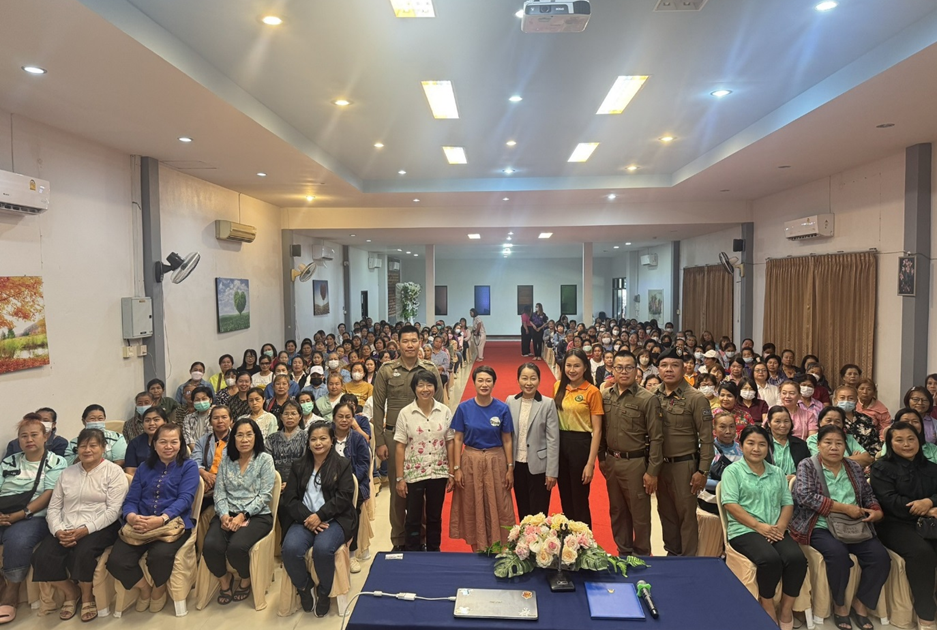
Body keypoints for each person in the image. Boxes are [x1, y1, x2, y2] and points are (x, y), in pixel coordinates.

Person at [790, 424, 888, 630]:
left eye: (839, 443)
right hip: (820, 524)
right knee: (838, 555)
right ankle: (840, 605)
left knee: (880, 558)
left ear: (845, 446)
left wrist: (876, 510)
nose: (833, 447)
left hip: (855, 524)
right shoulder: (807, 465)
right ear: (818, 445)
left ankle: (860, 603)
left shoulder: (853, 467)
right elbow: (805, 496)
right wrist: (844, 508)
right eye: (828, 442)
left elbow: (868, 495)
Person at [32, 428, 129, 622]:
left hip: (100, 525)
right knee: (41, 556)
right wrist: (58, 530)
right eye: (83, 446)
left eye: (93, 445)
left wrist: (86, 529)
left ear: (103, 447)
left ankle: (86, 596)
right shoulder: (67, 473)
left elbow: (114, 510)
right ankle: (71, 592)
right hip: (66, 526)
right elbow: (54, 508)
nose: (87, 450)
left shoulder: (114, 472)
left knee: (83, 553)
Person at [720, 425, 806, 630]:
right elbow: (730, 504)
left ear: (768, 447)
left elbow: (787, 503)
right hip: (744, 529)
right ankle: (767, 605)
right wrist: (759, 527)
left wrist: (780, 527)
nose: (756, 449)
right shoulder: (733, 471)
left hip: (775, 528)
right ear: (741, 445)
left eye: (762, 444)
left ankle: (786, 608)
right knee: (770, 559)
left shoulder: (777, 472)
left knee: (797, 559)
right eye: (750, 443)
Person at [106, 423, 199, 614]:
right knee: (116, 561)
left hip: (172, 524)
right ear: (154, 444)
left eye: (174, 442)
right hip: (140, 523)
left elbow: (185, 499)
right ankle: (145, 589)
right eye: (163, 442)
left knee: (159, 556)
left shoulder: (188, 466)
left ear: (181, 444)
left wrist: (162, 519)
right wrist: (131, 516)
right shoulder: (143, 467)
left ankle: (158, 589)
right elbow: (132, 499)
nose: (168, 446)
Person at [372, 325, 443, 551]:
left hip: (424, 439)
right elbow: (377, 407)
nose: (410, 345)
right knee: (399, 490)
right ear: (398, 343)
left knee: (423, 491)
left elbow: (441, 406)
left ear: (420, 342)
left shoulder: (429, 369)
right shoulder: (386, 370)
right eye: (405, 341)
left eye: (414, 341)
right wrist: (380, 441)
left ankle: (420, 538)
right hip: (395, 438)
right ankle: (399, 539)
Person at [281, 421, 357, 617]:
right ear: (308, 442)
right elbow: (290, 499)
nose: (318, 443)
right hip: (304, 519)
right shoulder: (299, 465)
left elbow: (344, 497)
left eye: (323, 438)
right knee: (290, 549)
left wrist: (320, 516)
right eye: (313, 439)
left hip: (334, 519)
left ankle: (324, 592)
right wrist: (309, 517)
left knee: (323, 550)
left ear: (332, 440)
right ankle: (304, 587)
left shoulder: (342, 464)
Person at [0, 415, 68, 623]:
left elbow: (49, 494)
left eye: (34, 435)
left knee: (17, 540)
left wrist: (21, 514)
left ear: (45, 436)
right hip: (4, 511)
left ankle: (11, 592)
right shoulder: (9, 461)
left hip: (34, 516)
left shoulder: (56, 461)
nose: (29, 439)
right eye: (23, 436)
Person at [870, 421, 937, 630]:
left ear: (919, 440)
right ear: (890, 443)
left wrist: (930, 501)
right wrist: (926, 508)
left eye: (911, 439)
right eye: (899, 440)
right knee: (922, 553)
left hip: (930, 522)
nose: (906, 444)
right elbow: (889, 501)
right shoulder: (881, 468)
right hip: (895, 523)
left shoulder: (931, 467)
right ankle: (926, 614)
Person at [202, 418, 275, 606]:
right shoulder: (226, 460)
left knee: (237, 547)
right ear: (233, 438)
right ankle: (224, 580)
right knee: (210, 545)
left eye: (249, 434)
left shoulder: (264, 459)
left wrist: (243, 515)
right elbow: (219, 492)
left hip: (256, 515)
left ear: (256, 437)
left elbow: (265, 495)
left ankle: (245, 578)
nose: (244, 439)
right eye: (239, 435)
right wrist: (224, 515)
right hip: (228, 513)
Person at [599, 350, 662, 556]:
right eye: (619, 367)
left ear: (636, 371)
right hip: (612, 460)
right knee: (617, 511)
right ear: (613, 370)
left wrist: (652, 471)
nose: (624, 372)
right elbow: (600, 430)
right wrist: (601, 458)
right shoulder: (605, 396)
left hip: (636, 463)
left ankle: (642, 555)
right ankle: (623, 552)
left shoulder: (647, 399)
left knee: (640, 514)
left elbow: (656, 438)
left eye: (628, 367)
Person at [656, 346, 713, 557]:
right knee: (666, 512)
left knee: (686, 515)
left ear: (684, 369)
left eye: (674, 365)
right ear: (658, 369)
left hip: (685, 466)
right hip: (660, 465)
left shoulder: (696, 398)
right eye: (664, 365)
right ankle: (672, 553)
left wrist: (702, 471)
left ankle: (688, 560)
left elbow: (707, 439)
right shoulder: (653, 395)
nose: (669, 370)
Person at [450, 365, 515, 551]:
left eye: (488, 381)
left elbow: (507, 439)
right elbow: (458, 438)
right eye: (480, 380)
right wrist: (456, 469)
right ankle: (477, 547)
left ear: (494, 383)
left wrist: (510, 468)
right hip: (471, 460)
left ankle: (500, 546)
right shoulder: (464, 408)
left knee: (499, 503)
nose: (484, 384)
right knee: (473, 502)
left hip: (496, 460)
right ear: (474, 383)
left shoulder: (502, 408)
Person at [553, 348, 603, 528]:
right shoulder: (558, 387)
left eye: (576, 366)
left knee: (580, 498)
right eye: (568, 365)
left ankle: (584, 540)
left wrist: (590, 464)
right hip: (560, 443)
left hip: (580, 445)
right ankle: (568, 539)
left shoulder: (592, 391)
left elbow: (597, 430)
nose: (572, 370)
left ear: (585, 368)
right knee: (565, 496)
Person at [506, 362, 559, 520]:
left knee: (539, 514)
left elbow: (553, 439)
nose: (528, 383)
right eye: (524, 378)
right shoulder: (510, 401)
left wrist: (552, 472)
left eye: (533, 378)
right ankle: (524, 536)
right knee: (523, 509)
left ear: (539, 380)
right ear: (518, 380)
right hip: (517, 464)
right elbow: (507, 435)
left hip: (539, 466)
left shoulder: (547, 403)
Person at [331, 402, 370, 571]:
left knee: (351, 509)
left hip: (354, 484)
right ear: (333, 418)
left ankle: (352, 553)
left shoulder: (357, 438)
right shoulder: (326, 436)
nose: (344, 420)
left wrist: (347, 480)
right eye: (340, 416)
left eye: (348, 417)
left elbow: (363, 464)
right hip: (328, 483)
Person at [698, 412, 742, 515]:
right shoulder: (706, 450)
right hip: (712, 500)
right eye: (722, 427)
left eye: (731, 427)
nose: (728, 431)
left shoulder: (741, 449)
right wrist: (727, 485)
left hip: (739, 498)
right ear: (714, 430)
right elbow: (702, 480)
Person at [191, 405, 232, 509]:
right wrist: (204, 474)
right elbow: (194, 462)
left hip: (230, 484)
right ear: (210, 422)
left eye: (224, 417)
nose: (220, 421)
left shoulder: (237, 440)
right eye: (215, 418)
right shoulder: (203, 441)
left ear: (231, 420)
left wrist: (218, 480)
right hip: (207, 482)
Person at [807, 406, 873, 467]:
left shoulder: (848, 438)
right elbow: (823, 462)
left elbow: (867, 459)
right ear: (820, 422)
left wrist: (837, 460)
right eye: (829, 420)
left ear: (842, 424)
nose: (832, 424)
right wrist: (853, 460)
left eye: (837, 421)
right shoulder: (813, 439)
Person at [266, 400, 307, 486]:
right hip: (275, 483)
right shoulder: (271, 439)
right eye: (286, 414)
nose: (290, 417)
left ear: (300, 417)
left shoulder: (306, 437)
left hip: (299, 483)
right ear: (281, 417)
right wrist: (277, 483)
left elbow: (307, 464)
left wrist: (291, 484)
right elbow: (267, 464)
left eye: (293, 414)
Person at [833, 385, 882, 458]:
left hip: (868, 459)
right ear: (835, 400)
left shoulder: (866, 419)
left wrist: (867, 457)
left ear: (856, 400)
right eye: (842, 398)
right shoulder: (832, 420)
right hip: (841, 459)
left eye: (850, 398)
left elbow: (875, 443)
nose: (846, 401)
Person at [766, 406, 810, 477]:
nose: (783, 425)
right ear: (769, 423)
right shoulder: (764, 444)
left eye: (786, 421)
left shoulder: (801, 445)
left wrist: (795, 477)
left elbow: (808, 469)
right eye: (777, 421)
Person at [124, 406, 167, 475]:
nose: (151, 423)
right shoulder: (135, 443)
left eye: (156, 420)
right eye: (147, 420)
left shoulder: (173, 442)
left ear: (165, 422)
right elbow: (130, 471)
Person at [182, 386, 213, 452]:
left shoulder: (216, 416)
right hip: (193, 452)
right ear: (193, 402)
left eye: (204, 399)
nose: (201, 402)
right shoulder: (188, 418)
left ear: (210, 400)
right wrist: (197, 452)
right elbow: (187, 438)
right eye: (197, 400)